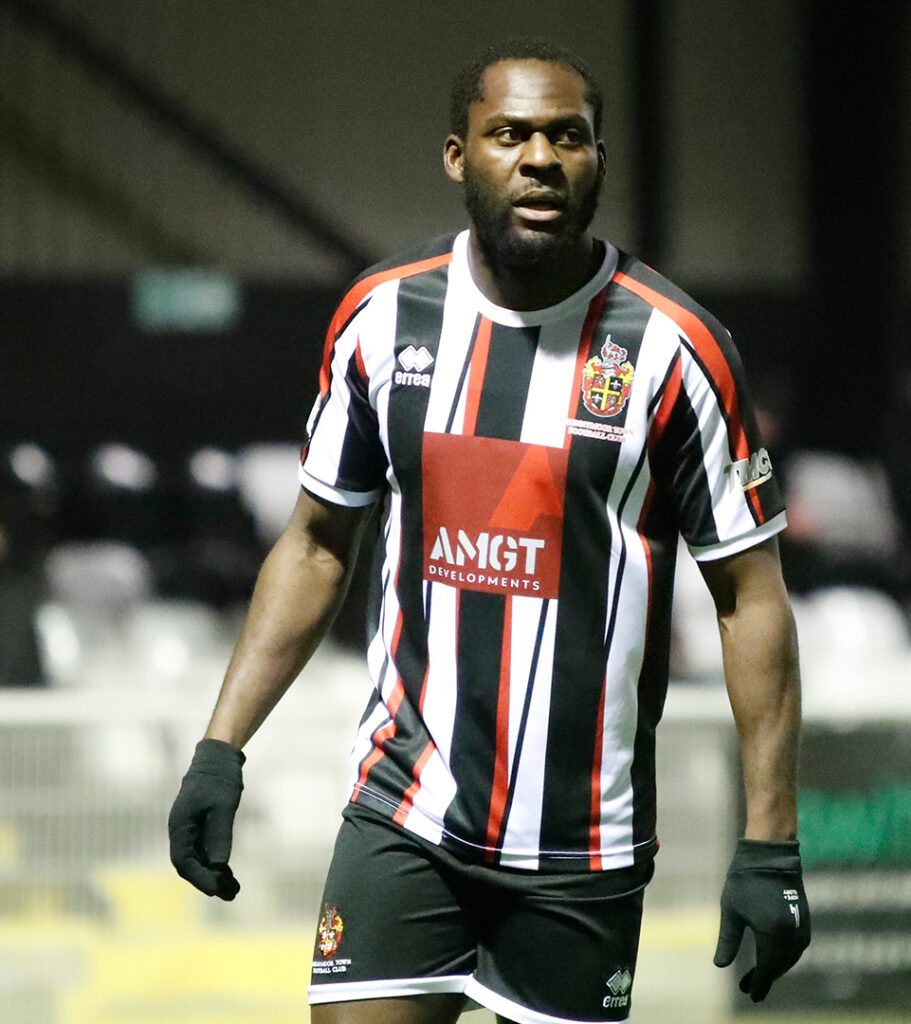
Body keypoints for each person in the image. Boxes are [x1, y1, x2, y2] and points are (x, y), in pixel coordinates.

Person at [169, 39, 809, 1024]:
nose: (540, 158)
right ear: (458, 156)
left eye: (567, 137)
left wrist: (771, 842)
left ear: (597, 160)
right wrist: (221, 747)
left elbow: (749, 598)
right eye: (509, 134)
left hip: (582, 849)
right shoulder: (381, 316)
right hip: (404, 817)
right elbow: (315, 544)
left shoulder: (677, 349)